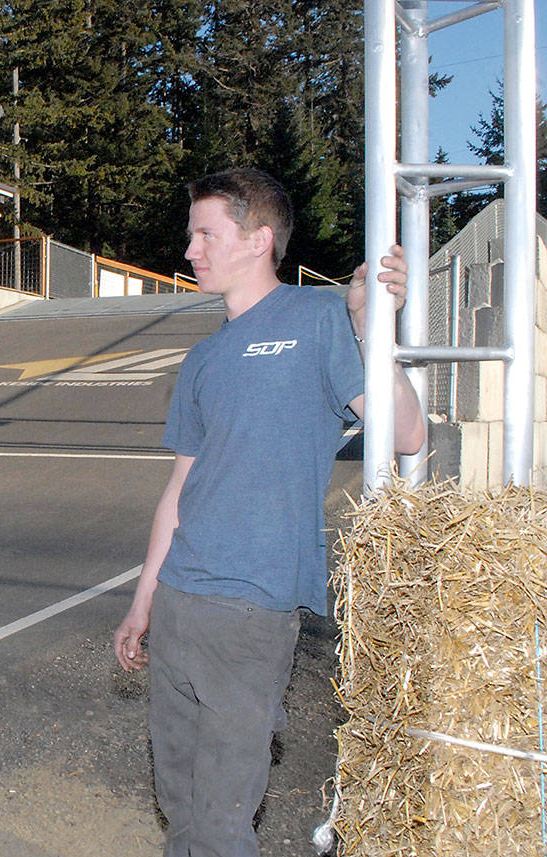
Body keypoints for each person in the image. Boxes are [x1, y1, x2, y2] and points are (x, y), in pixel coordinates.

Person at [112, 168, 425, 857]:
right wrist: (143, 601)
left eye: (205, 233)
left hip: (252, 610)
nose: (190, 249)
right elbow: (178, 492)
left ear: (258, 240)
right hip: (180, 599)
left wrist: (374, 334)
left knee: (223, 820)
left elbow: (407, 435)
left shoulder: (320, 318)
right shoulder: (202, 359)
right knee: (180, 806)